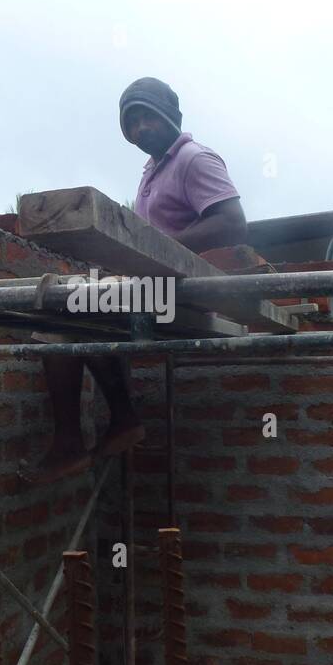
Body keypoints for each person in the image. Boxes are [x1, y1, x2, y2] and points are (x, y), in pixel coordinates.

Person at [18, 77, 247, 484]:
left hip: (182, 295)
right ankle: (114, 423)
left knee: (71, 314)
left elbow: (232, 222)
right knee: (63, 322)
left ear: (171, 115)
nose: (140, 130)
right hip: (153, 291)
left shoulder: (195, 159)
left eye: (147, 118)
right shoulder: (152, 172)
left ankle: (96, 431)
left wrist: (162, 252)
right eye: (132, 123)